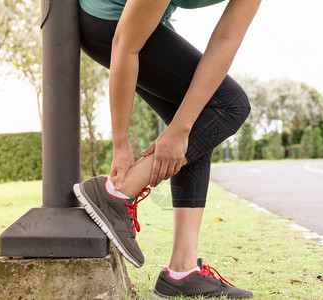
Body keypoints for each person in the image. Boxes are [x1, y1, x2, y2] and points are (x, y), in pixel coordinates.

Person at [73, 0, 261, 298]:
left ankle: (182, 271)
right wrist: (120, 142)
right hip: (106, 20)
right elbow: (125, 43)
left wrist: (181, 128)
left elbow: (227, 38)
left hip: (146, 21)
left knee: (201, 115)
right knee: (230, 105)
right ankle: (115, 195)